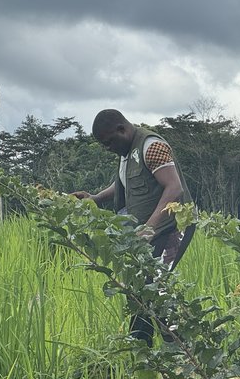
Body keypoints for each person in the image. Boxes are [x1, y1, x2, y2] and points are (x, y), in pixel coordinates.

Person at [72, 109, 195, 346]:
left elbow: (174, 188)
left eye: (109, 142)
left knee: (157, 292)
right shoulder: (127, 153)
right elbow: (125, 184)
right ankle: (144, 354)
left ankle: (181, 357)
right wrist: (95, 198)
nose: (107, 148)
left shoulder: (152, 147)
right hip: (149, 233)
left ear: (122, 129)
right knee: (139, 290)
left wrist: (148, 229)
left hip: (172, 229)